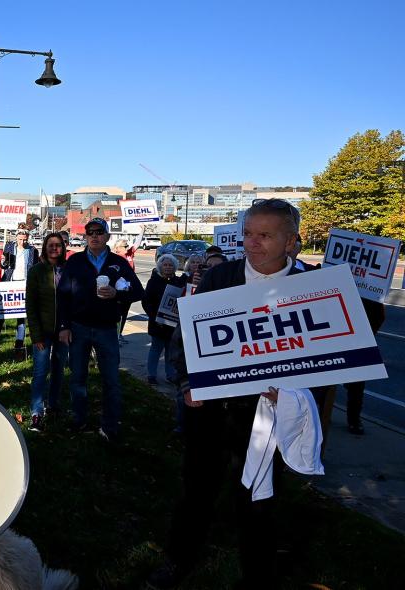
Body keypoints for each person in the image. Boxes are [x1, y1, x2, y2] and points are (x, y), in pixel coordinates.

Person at [147, 198, 305, 589]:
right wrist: (186, 383)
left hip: (270, 415)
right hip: (211, 408)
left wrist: (294, 393)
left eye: (265, 236)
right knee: (197, 490)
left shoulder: (310, 285)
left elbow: (333, 349)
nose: (252, 243)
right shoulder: (221, 278)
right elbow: (187, 333)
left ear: (291, 241)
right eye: (248, 233)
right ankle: (178, 559)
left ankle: (256, 571)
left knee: (260, 498)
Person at [57, 217, 144, 440]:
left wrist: (118, 293)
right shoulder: (75, 261)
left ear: (106, 236)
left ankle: (110, 425)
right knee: (78, 377)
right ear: (85, 237)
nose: (94, 236)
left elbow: (138, 291)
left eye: (98, 232)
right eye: (90, 232)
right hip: (79, 327)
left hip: (106, 329)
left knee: (111, 379)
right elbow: (63, 297)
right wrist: (64, 326)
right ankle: (79, 419)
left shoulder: (119, 262)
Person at [25, 232, 69, 431]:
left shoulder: (68, 270)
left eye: (58, 245)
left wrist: (68, 328)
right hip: (42, 332)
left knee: (58, 370)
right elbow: (31, 306)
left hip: (63, 332)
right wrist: (36, 335)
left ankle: (54, 405)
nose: (54, 248)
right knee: (41, 372)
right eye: (50, 245)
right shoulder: (36, 271)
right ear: (45, 247)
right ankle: (36, 412)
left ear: (63, 248)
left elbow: (72, 302)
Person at [0, 228, 38, 359]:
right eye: (21, 239)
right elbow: (4, 266)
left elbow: (35, 268)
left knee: (21, 320)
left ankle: (19, 348)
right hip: (9, 285)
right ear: (16, 238)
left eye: (25, 239)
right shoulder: (9, 247)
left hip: (24, 286)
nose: (23, 242)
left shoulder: (33, 250)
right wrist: (3, 262)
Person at [344, 298, 386, 435]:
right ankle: (354, 420)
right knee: (357, 379)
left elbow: (379, 315)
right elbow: (380, 316)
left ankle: (322, 414)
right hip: (359, 338)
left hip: (353, 334)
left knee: (328, 378)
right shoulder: (373, 294)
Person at [141, 253, 181, 387]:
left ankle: (170, 375)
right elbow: (146, 302)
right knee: (156, 349)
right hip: (157, 323)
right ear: (160, 266)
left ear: (175, 267)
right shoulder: (154, 281)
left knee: (170, 351)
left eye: (171, 265)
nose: (168, 267)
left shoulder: (178, 281)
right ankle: (151, 375)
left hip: (172, 324)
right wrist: (155, 317)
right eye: (165, 265)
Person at [112, 238, 138, 344]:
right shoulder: (115, 258)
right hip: (119, 289)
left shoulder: (129, 255)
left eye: (127, 246)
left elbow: (137, 244)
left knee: (124, 314)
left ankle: (119, 334)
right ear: (118, 248)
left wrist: (142, 231)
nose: (127, 248)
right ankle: (115, 336)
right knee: (118, 314)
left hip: (129, 288)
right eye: (125, 246)